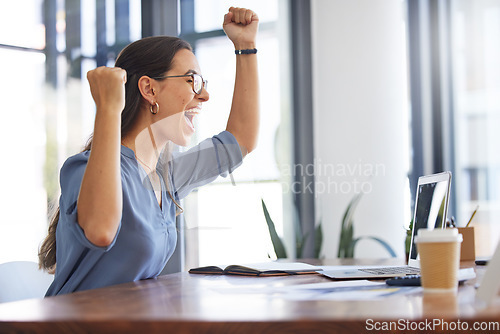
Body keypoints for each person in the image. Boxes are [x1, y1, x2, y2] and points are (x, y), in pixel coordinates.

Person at [39, 7, 259, 296]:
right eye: (192, 80)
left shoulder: (166, 176)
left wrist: (245, 47)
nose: (204, 95)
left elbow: (239, 141)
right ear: (149, 89)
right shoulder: (84, 168)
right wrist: (107, 108)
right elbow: (101, 230)